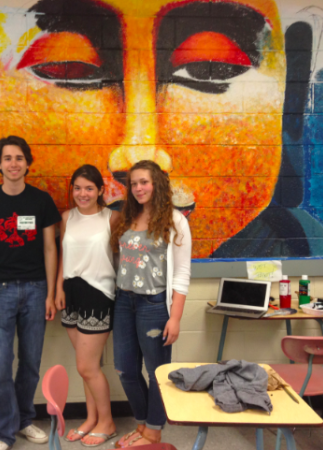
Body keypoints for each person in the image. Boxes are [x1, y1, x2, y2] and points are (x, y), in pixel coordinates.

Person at [0, 0, 323, 260]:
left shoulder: (303, 246)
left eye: (210, 68)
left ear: (292, 94)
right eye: (68, 68)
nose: (139, 152)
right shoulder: (25, 224)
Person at [0, 135, 62, 450]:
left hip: (36, 290)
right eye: (7, 158)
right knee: (1, 363)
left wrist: (49, 293)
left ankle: (23, 420)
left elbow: (51, 248)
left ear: (28, 163)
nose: (13, 164)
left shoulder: (41, 201)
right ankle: (3, 433)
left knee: (31, 362)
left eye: (19, 158)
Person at [110, 160, 192, 447]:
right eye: (133, 183)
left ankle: (154, 431)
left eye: (143, 182)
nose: (138, 188)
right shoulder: (127, 217)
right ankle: (143, 425)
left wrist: (175, 317)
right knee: (125, 369)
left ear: (156, 183)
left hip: (155, 306)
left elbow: (182, 273)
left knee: (157, 372)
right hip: (123, 302)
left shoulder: (175, 220)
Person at [54, 165, 121, 446]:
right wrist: (58, 288)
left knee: (87, 366)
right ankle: (92, 418)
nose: (82, 194)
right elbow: (62, 255)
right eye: (78, 188)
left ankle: (108, 422)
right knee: (85, 367)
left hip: (99, 294)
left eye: (89, 188)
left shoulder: (113, 218)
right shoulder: (67, 217)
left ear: (100, 191)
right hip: (71, 293)